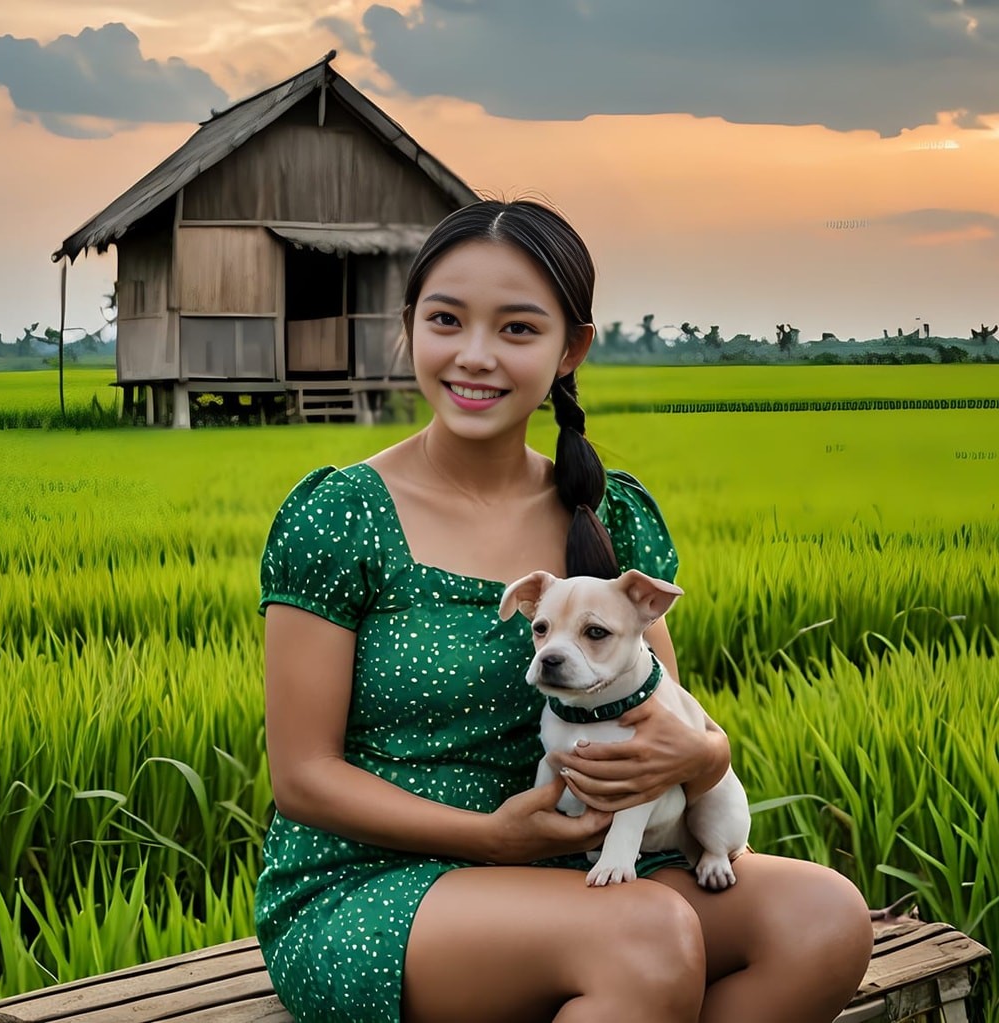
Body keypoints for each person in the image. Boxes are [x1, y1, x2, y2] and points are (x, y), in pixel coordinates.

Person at [255, 199, 873, 1023]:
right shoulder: (342, 515)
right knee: (644, 936)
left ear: (570, 347)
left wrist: (705, 751)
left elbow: (660, 719)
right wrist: (492, 840)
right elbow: (301, 777)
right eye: (447, 320)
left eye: (517, 329)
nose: (474, 356)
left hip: (583, 859)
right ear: (410, 327)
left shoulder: (606, 517)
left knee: (823, 919)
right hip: (380, 882)